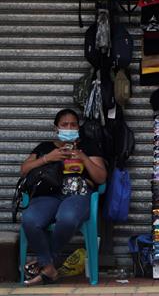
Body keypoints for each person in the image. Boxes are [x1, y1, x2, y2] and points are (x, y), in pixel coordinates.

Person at [20, 109, 107, 286]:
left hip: (78, 195)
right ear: (56, 128)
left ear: (78, 127)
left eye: (73, 124)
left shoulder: (88, 146)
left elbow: (101, 178)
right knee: (30, 220)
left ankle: (45, 264)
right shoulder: (45, 147)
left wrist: (83, 157)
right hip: (48, 195)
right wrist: (48, 158)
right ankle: (49, 268)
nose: (69, 128)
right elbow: (24, 170)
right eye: (64, 125)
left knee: (67, 218)